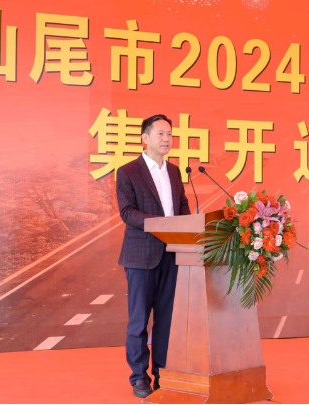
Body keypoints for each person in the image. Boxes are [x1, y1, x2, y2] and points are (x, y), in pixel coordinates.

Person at [115, 114, 191, 398]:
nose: (166, 138)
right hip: (141, 256)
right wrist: (162, 224)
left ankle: (163, 373)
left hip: (172, 255)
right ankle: (139, 377)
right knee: (139, 321)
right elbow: (127, 212)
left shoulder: (174, 171)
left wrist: (188, 226)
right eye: (160, 134)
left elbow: (181, 206)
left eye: (169, 134)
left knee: (166, 320)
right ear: (145, 138)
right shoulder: (128, 171)